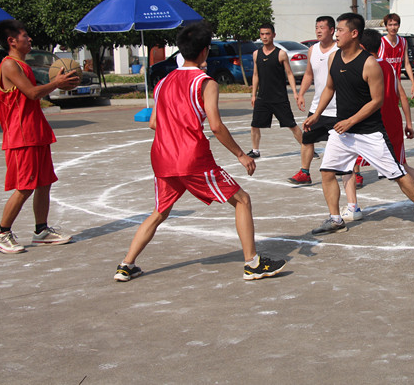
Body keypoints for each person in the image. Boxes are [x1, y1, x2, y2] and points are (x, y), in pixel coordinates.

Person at [114, 22, 286, 282]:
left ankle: (126, 265)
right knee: (242, 200)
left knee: (160, 211)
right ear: (205, 51)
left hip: (162, 157)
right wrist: (241, 154)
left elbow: (153, 123)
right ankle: (252, 263)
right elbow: (216, 126)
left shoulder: (163, 82)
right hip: (191, 158)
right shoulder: (205, 83)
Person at [304, 13, 414, 234]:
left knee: (398, 173)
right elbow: (329, 88)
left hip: (369, 133)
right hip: (343, 133)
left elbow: (377, 101)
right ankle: (336, 219)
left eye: (340, 30)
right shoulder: (333, 58)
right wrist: (317, 114)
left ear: (354, 33)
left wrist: (351, 121)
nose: (336, 34)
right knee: (327, 172)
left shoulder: (369, 64)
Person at [0, 20, 80, 254]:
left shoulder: (24, 66)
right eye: (25, 36)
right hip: (21, 136)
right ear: (12, 41)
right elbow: (31, 93)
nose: (29, 39)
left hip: (36, 132)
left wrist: (58, 82)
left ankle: (41, 230)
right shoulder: (9, 65)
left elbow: (34, 93)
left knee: (44, 183)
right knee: (25, 186)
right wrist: (56, 83)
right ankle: (1, 233)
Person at [340, 30, 414, 222]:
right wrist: (409, 122)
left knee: (347, 165)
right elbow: (402, 96)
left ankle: (352, 207)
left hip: (369, 124)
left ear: (361, 46)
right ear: (380, 46)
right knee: (402, 165)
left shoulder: (363, 66)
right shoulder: (389, 66)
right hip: (393, 122)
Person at [289, 16, 338, 185]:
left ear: (332, 30)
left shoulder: (340, 49)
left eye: (322, 27)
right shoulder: (312, 50)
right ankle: (304, 173)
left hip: (339, 108)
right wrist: (301, 93)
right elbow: (308, 74)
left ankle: (356, 173)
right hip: (318, 107)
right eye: (316, 27)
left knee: (347, 142)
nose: (318, 30)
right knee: (307, 139)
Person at [248, 23, 302, 158]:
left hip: (279, 98)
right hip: (263, 97)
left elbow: (289, 74)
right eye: (262, 34)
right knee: (255, 125)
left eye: (267, 34)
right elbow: (256, 75)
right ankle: (255, 150)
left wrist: (295, 93)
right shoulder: (256, 54)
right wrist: (253, 95)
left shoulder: (281, 54)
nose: (265, 37)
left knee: (292, 125)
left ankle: (307, 148)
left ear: (273, 35)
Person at [379, 13, 414, 98]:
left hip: (396, 82)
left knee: (398, 103)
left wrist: (413, 83)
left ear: (399, 25)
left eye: (395, 24)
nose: (393, 27)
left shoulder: (403, 42)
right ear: (386, 26)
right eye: (390, 25)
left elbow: (407, 64)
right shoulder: (381, 42)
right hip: (383, 83)